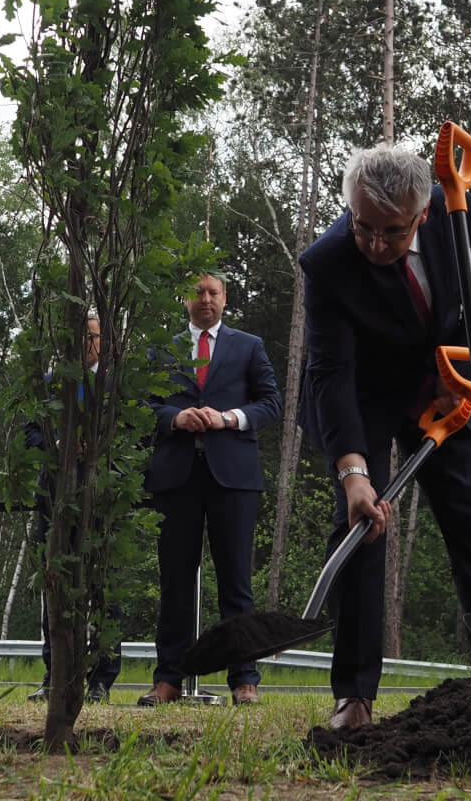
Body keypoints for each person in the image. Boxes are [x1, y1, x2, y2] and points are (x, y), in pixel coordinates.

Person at [299, 143, 471, 731]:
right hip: (362, 395)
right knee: (362, 525)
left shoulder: (453, 213)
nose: (374, 243)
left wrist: (456, 370)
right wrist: (353, 473)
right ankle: (355, 695)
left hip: (444, 385)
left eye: (392, 232)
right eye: (362, 226)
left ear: (421, 216)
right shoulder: (327, 262)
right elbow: (330, 373)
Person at [140, 273, 282, 707]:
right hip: (175, 478)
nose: (205, 299)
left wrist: (228, 418)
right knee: (175, 582)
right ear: (184, 299)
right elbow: (143, 405)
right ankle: (169, 679)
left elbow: (271, 403)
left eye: (213, 292)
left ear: (225, 298)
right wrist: (175, 419)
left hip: (233, 479)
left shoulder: (248, 346)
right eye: (197, 292)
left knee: (236, 582)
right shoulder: (162, 349)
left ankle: (244, 679)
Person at [25, 314, 122, 704]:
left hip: (103, 497)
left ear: (105, 341)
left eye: (92, 335)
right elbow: (31, 432)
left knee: (104, 591)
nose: (85, 341)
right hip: (55, 498)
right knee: (55, 590)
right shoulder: (50, 386)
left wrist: (98, 444)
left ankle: (101, 678)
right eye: (79, 334)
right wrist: (60, 443)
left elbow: (137, 432)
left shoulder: (116, 385)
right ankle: (56, 674)